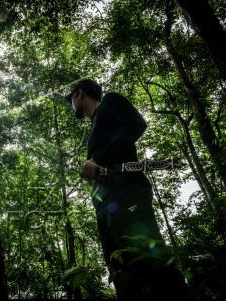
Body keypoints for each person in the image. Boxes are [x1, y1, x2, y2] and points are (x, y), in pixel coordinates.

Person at [65, 79, 187, 299]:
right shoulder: (94, 128)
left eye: (70, 98)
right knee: (121, 267)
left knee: (144, 256)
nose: (70, 104)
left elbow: (136, 124)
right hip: (106, 206)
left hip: (126, 192)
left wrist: (97, 159)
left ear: (80, 93)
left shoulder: (110, 101)